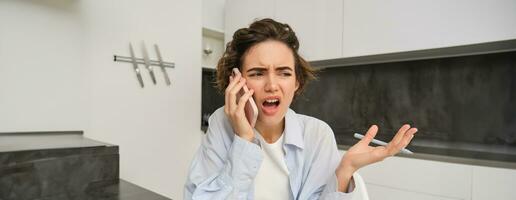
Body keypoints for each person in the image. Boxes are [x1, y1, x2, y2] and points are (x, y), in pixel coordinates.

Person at [184, 18, 418, 200]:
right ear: (237, 80)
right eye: (257, 73)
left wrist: (346, 170)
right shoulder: (222, 125)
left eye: (284, 73)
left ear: (296, 82)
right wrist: (243, 140)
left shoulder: (317, 134)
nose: (272, 85)